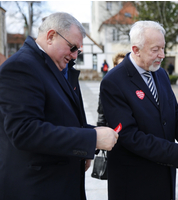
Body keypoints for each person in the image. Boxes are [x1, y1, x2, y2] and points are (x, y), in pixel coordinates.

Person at [0, 12, 118, 200]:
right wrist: (91, 138)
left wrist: (94, 132)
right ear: (51, 36)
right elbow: (25, 131)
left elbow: (60, 119)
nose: (74, 56)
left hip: (61, 185)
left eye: (78, 51)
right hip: (38, 188)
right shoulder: (21, 67)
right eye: (72, 48)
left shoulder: (59, 67)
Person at [100, 20, 178, 200]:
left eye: (163, 48)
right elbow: (129, 136)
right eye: (155, 49)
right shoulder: (113, 81)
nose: (162, 55)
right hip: (135, 181)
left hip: (164, 176)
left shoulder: (160, 73)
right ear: (136, 49)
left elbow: (175, 113)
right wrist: (175, 152)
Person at [97, 52, 126, 126]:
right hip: (113, 129)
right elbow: (101, 112)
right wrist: (101, 128)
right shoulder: (108, 85)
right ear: (115, 66)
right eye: (120, 65)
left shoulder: (134, 85)